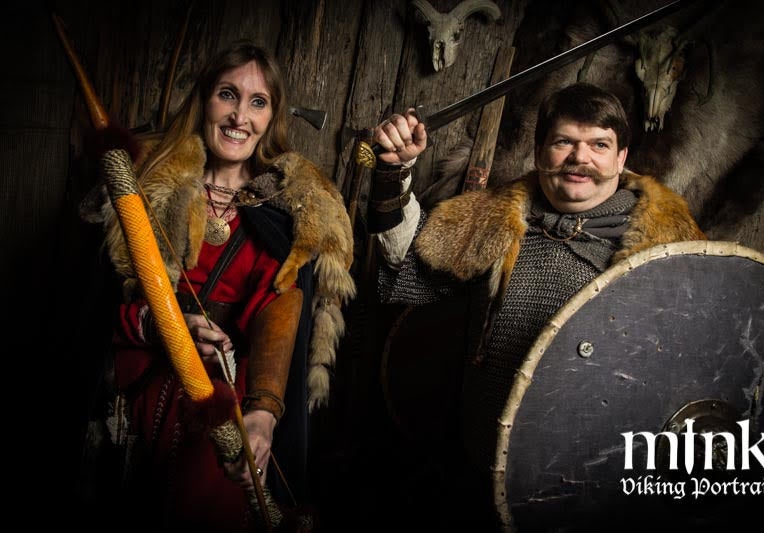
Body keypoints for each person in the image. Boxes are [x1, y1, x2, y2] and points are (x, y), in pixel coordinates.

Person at [366, 82, 706, 526]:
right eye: (564, 141)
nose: (580, 158)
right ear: (539, 151)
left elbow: (700, 366)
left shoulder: (673, 247)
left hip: (605, 482)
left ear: (622, 158)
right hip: (483, 465)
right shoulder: (493, 219)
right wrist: (394, 171)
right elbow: (408, 259)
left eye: (599, 145)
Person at [79, 41, 355, 531]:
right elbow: (100, 306)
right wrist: (156, 324)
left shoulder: (285, 208)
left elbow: (281, 300)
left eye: (257, 102)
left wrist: (264, 413)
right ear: (205, 100)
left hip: (224, 402)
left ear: (271, 118)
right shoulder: (148, 185)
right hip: (143, 387)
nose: (239, 116)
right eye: (228, 95)